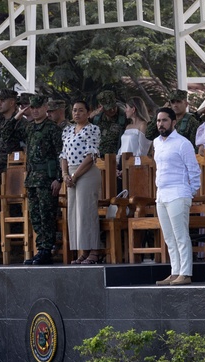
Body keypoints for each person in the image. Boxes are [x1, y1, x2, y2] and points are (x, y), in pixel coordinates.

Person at [152, 107, 202, 286]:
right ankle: (175, 272)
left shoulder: (183, 143)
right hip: (162, 195)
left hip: (178, 193)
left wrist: (191, 191)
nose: (160, 124)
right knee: (169, 237)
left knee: (181, 235)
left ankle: (186, 273)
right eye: (158, 121)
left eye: (164, 120)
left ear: (173, 122)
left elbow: (194, 170)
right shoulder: (157, 142)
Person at [60, 100, 103, 265]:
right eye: (74, 110)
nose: (77, 113)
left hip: (85, 172)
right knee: (74, 213)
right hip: (70, 173)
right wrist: (65, 174)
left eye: (80, 110)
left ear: (88, 112)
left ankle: (94, 251)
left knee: (86, 211)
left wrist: (75, 175)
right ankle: (83, 250)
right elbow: (63, 154)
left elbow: (91, 156)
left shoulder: (93, 129)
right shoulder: (68, 130)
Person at [23, 95, 64, 266]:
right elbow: (7, 133)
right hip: (32, 179)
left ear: (46, 107)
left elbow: (61, 154)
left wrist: (58, 178)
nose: (35, 110)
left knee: (47, 214)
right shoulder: (30, 128)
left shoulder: (52, 129)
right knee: (35, 216)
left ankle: (46, 250)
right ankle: (41, 249)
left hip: (47, 179)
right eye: (32, 108)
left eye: (38, 107)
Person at [90, 89, 127, 157]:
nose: (112, 110)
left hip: (115, 159)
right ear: (101, 107)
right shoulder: (96, 118)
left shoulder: (124, 117)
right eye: (109, 108)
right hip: (97, 159)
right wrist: (90, 117)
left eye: (114, 106)